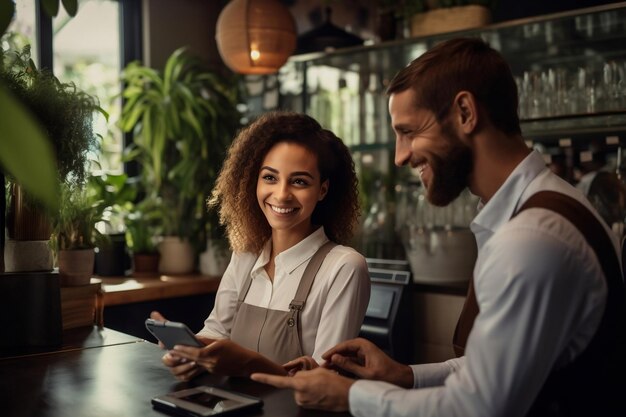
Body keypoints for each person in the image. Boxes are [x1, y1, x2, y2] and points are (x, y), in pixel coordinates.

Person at [251, 38, 626, 416]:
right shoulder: (554, 205)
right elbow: (498, 366)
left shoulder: (530, 240)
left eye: (409, 131)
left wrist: (351, 397)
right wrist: (404, 375)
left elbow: (477, 407)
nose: (400, 156)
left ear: (465, 112)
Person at [152, 111, 370, 380]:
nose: (281, 194)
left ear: (322, 190)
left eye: (299, 181)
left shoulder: (343, 267)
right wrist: (190, 351)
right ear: (253, 180)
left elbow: (325, 380)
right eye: (270, 177)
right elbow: (217, 332)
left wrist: (246, 362)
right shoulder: (245, 256)